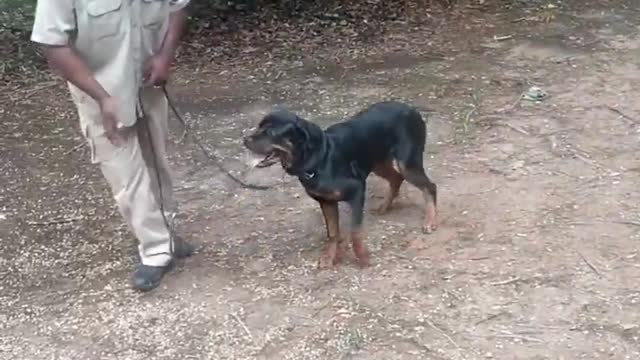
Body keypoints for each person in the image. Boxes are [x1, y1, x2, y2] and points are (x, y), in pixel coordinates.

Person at [31, 0, 194, 292]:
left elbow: (177, 6)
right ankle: (155, 250)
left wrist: (164, 57)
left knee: (157, 160)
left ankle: (165, 232)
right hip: (100, 89)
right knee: (125, 171)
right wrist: (102, 97)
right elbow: (52, 43)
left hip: (148, 83)